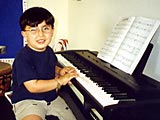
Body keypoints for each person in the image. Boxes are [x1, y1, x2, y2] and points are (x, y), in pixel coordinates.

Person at [11, 7, 79, 120]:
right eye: (33, 30)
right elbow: (33, 87)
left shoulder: (49, 51)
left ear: (52, 31)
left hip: (51, 98)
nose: (41, 34)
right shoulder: (23, 57)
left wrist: (59, 71)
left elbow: (50, 66)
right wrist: (60, 81)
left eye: (46, 28)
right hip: (28, 100)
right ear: (24, 34)